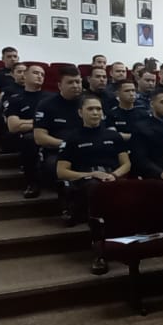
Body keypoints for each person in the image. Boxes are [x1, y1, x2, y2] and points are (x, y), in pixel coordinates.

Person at [57, 93, 131, 273]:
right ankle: (100, 253)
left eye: (98, 109)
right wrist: (91, 174)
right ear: (80, 112)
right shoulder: (72, 138)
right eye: (90, 109)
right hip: (87, 181)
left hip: (112, 178)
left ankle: (127, 247)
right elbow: (61, 171)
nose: (95, 112)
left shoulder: (113, 136)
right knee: (95, 189)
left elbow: (127, 164)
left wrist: (113, 175)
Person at [33, 66, 84, 200]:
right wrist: (67, 144)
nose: (75, 85)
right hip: (57, 151)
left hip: (87, 148)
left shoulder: (88, 103)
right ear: (60, 85)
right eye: (70, 82)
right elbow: (40, 137)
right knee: (54, 166)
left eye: (78, 82)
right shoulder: (46, 104)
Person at [6, 63, 49, 198]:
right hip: (28, 136)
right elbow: (13, 126)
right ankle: (32, 183)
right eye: (36, 73)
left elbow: (54, 122)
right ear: (25, 75)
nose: (40, 76)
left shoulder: (51, 98)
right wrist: (39, 123)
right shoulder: (15, 99)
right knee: (29, 139)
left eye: (42, 74)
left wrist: (26, 122)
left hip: (51, 133)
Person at [130, 87, 163, 183]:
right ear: (152, 104)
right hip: (152, 176)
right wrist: (161, 174)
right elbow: (140, 159)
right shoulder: (141, 128)